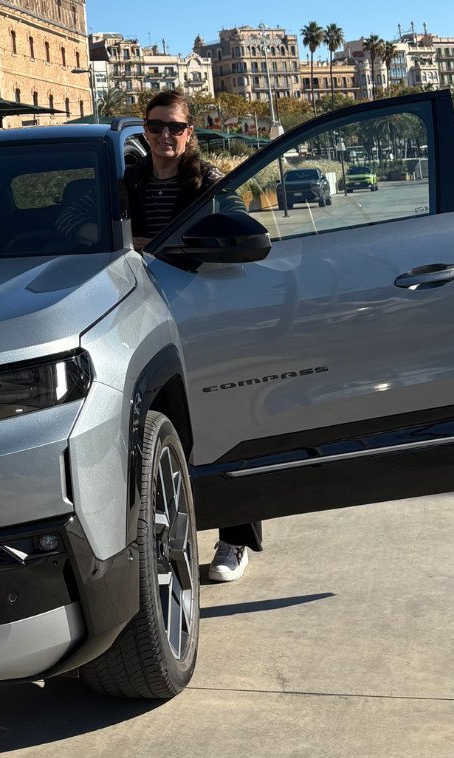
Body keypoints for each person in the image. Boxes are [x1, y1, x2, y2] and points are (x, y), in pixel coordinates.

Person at [123, 89, 261, 582]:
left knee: (221, 420)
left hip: (204, 313)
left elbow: (239, 223)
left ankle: (234, 539)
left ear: (190, 133)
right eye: (156, 126)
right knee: (167, 431)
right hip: (143, 316)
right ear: (145, 128)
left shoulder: (209, 182)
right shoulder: (129, 183)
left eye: (175, 128)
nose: (165, 136)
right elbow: (86, 224)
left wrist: (171, 244)